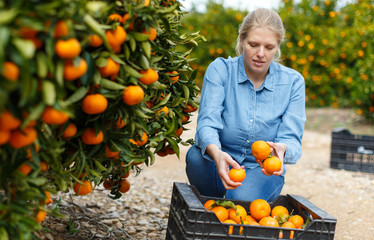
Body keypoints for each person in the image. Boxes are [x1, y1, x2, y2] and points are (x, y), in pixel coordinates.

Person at [185, 8, 306, 202]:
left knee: (239, 198)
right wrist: (217, 154)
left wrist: (283, 148)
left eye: (269, 47)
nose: (261, 54)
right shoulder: (221, 70)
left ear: (278, 46)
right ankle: (210, 206)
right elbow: (206, 125)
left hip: (261, 168)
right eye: (253, 44)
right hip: (220, 157)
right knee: (197, 158)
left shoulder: (293, 82)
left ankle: (227, 207)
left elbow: (292, 140)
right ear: (241, 41)